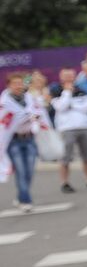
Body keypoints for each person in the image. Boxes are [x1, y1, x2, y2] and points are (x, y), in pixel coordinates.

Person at [1, 71, 45, 212]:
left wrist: (35, 117)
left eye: (20, 83)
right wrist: (23, 117)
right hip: (14, 140)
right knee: (20, 169)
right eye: (15, 84)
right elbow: (5, 122)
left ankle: (21, 196)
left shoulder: (29, 98)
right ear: (8, 86)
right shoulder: (4, 102)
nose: (18, 86)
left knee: (30, 170)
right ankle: (26, 200)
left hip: (29, 138)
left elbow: (39, 112)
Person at [52, 68, 87, 193]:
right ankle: (65, 182)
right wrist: (67, 92)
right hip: (67, 129)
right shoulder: (56, 89)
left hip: (84, 126)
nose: (69, 78)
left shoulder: (81, 89)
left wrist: (73, 105)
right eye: (66, 75)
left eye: (71, 75)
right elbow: (61, 107)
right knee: (66, 157)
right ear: (61, 76)